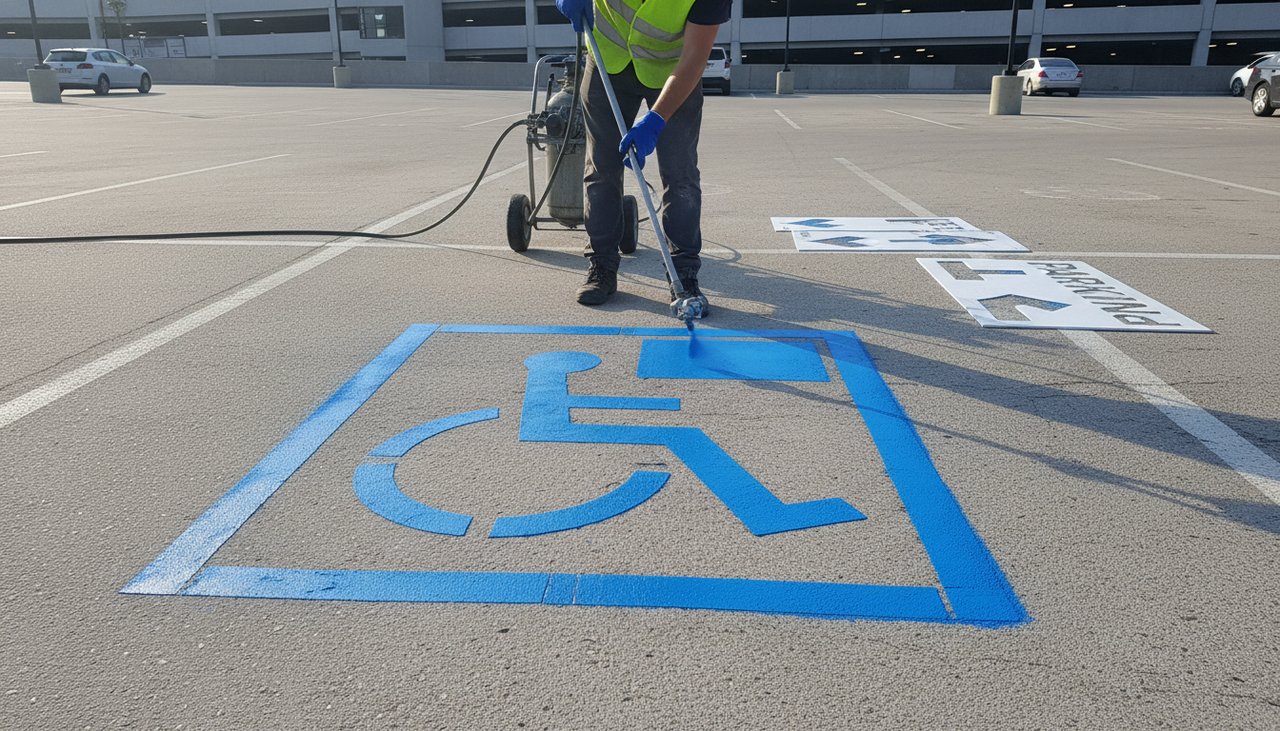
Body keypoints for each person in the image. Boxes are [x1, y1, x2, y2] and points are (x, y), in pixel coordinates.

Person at [555, 0, 731, 315]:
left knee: (681, 175)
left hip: (673, 71)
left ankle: (684, 274)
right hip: (608, 60)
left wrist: (656, 120)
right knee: (601, 170)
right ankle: (602, 266)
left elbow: (693, 57)